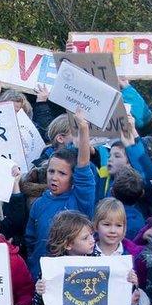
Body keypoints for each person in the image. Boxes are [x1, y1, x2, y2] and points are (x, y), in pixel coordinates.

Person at [25, 110, 95, 277]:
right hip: (41, 278)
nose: (54, 177)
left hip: (75, 276)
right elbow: (30, 240)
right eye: (51, 171)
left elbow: (83, 165)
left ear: (73, 178)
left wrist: (83, 129)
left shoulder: (80, 200)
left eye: (62, 174)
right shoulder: (39, 204)